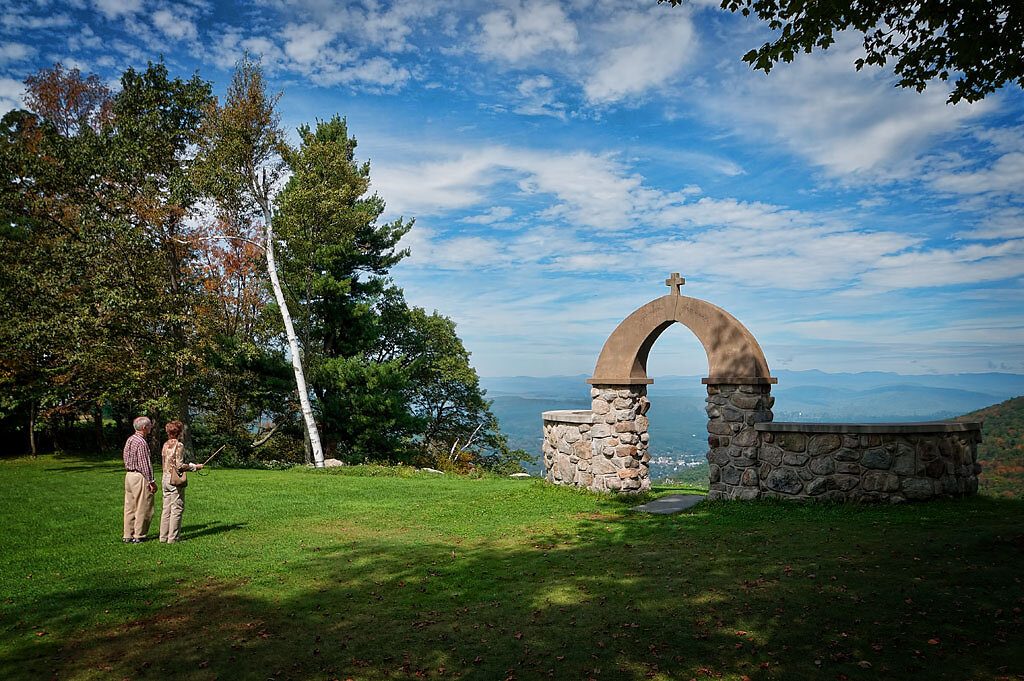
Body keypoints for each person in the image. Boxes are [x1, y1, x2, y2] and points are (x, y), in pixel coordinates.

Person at [158, 420, 203, 543]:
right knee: (177, 508)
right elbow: (179, 465)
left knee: (166, 508)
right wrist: (195, 467)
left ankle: (163, 537)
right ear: (179, 432)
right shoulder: (179, 445)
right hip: (174, 479)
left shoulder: (165, 444)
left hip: (164, 478)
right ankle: (173, 538)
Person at [123, 416, 156, 543]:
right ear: (144, 428)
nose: (151, 427)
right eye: (149, 426)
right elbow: (144, 464)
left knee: (129, 506)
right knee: (144, 506)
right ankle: (139, 535)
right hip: (139, 476)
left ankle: (127, 534)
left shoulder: (130, 439)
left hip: (129, 475)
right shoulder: (141, 443)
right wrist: (151, 481)